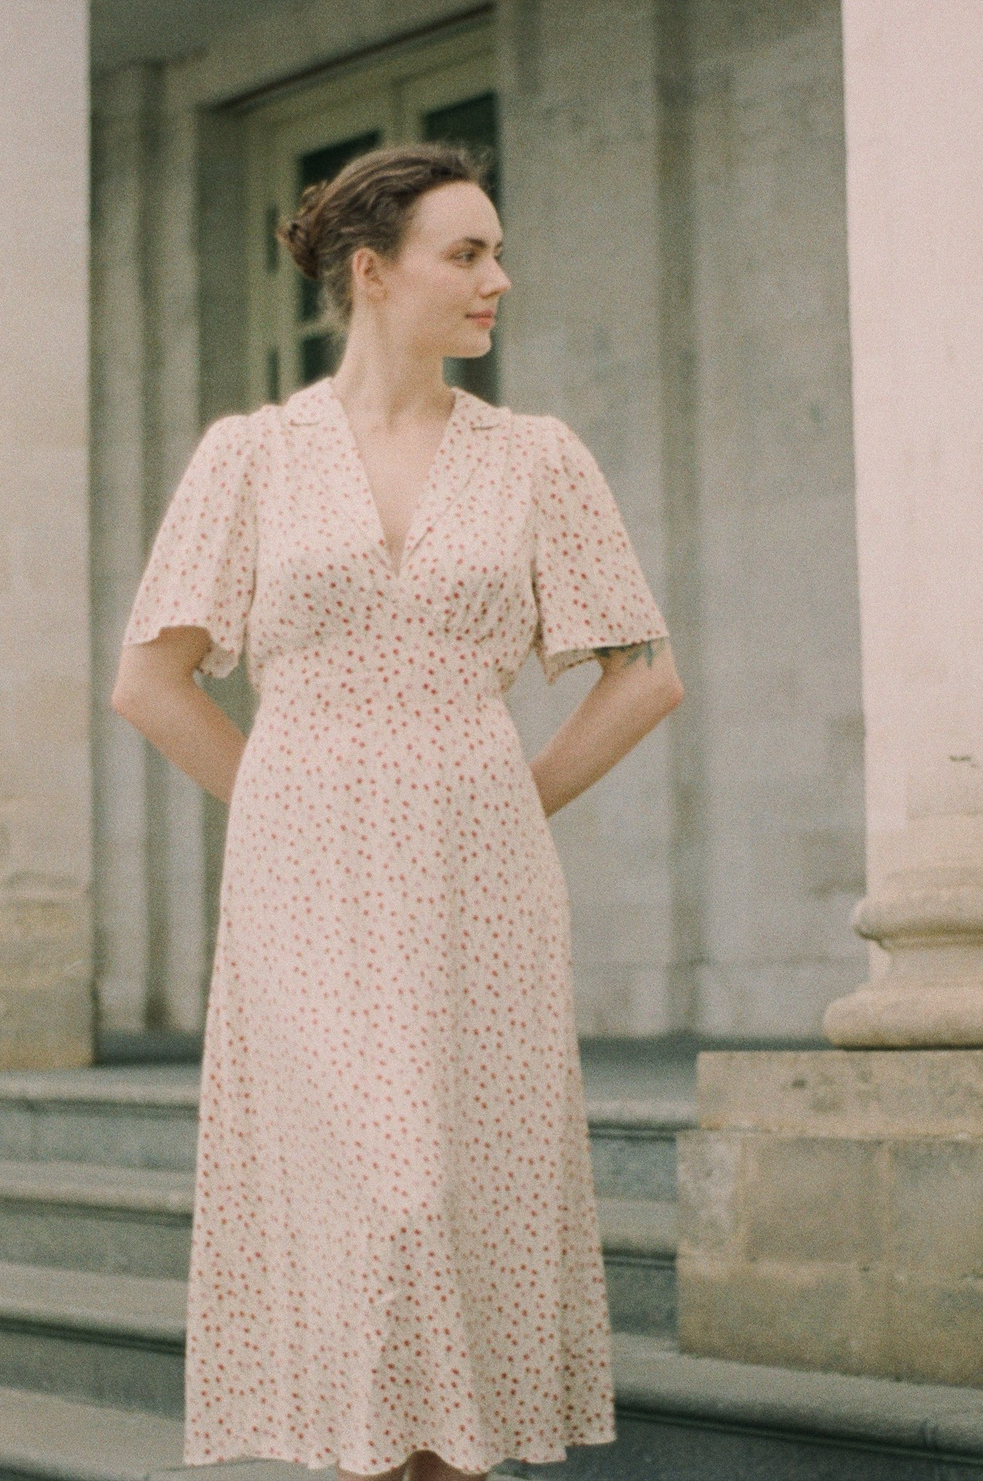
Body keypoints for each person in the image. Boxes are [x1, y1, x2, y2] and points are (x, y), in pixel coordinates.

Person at [110, 142, 684, 1481]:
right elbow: (150, 683)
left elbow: (646, 678)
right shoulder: (251, 456)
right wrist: (296, 805)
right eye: (466, 254)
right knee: (380, 1211)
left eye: (498, 253)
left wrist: (503, 804)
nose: (499, 280)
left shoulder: (535, 458)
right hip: (303, 892)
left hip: (478, 886)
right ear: (371, 273)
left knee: (459, 1214)